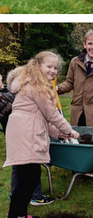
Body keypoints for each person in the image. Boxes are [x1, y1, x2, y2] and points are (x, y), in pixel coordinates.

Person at [4, 52, 79, 218]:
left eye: (55, 68)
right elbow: (52, 115)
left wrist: (58, 134)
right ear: (37, 66)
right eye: (49, 66)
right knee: (28, 179)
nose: (53, 71)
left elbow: (40, 118)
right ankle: (17, 215)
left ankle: (18, 214)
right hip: (26, 135)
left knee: (27, 178)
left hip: (22, 131)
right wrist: (69, 131)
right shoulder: (37, 86)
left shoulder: (30, 83)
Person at [2, 68, 57, 208]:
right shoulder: (8, 95)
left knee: (19, 167)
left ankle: (16, 196)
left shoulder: (9, 91)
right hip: (23, 133)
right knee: (31, 164)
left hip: (18, 132)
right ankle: (35, 197)